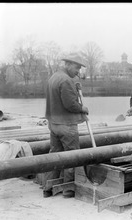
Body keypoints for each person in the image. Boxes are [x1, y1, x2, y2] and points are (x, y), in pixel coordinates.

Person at [43, 56, 89, 198]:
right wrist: (83, 108)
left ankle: (48, 188)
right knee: (72, 156)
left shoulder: (53, 78)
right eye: (76, 68)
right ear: (68, 65)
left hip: (53, 124)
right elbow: (70, 105)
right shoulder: (66, 80)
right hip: (66, 125)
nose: (77, 71)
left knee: (55, 155)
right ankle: (68, 189)